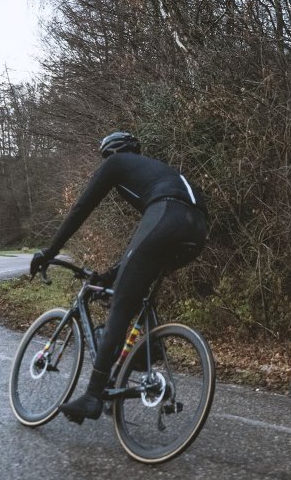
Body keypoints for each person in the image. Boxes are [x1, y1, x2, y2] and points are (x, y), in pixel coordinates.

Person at [30, 132, 208, 423]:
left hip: (168, 216)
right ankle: (146, 351)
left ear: (111, 153)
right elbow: (141, 244)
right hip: (197, 228)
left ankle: (92, 396)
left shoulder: (118, 163)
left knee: (121, 305)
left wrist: (50, 251)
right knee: (137, 284)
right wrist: (112, 274)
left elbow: (80, 209)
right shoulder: (159, 172)